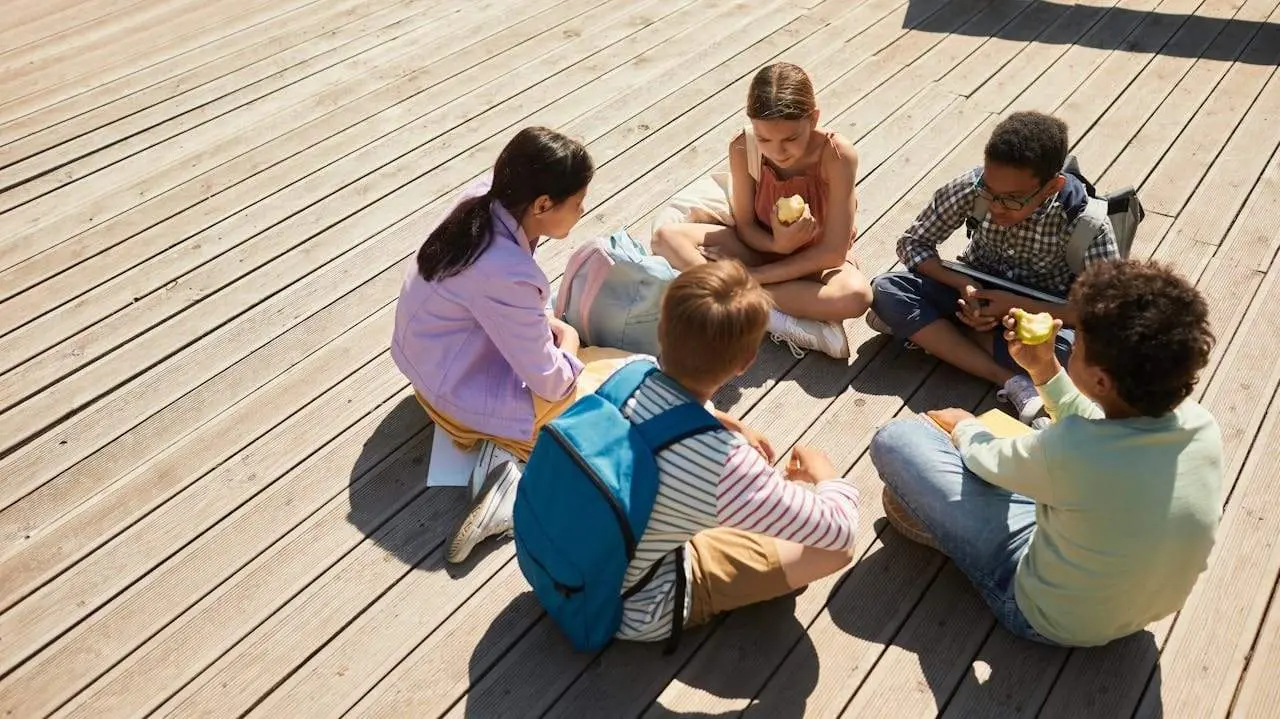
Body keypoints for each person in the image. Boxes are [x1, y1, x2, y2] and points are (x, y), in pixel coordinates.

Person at [460, 261, 861, 640]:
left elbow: (664, 414)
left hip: (548, 563)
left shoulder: (629, 371)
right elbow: (837, 530)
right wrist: (826, 476)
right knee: (833, 552)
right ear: (745, 362)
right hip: (628, 608)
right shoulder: (724, 464)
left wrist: (725, 422)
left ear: (662, 328)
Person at [869, 260, 1221, 647]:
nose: (1070, 339)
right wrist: (1046, 370)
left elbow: (985, 458)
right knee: (1051, 464)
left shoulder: (1074, 450)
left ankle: (946, 529)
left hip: (1045, 615)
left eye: (1078, 339)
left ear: (1101, 380)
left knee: (898, 438)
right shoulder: (1200, 425)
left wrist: (964, 425)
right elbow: (1097, 433)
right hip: (1136, 607)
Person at [389, 127, 631, 564]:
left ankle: (498, 458)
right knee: (606, 411)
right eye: (577, 203)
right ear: (542, 205)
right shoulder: (508, 272)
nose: (583, 211)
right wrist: (570, 342)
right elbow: (553, 383)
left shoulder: (484, 197)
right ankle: (511, 488)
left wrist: (540, 324)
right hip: (453, 393)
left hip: (428, 367)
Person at [868, 111, 1121, 424]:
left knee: (1079, 358)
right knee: (887, 288)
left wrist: (1015, 306)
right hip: (970, 292)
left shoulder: (1087, 223)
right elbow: (912, 243)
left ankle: (933, 334)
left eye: (1013, 199)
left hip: (1041, 318)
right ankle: (1010, 379)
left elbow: (1104, 311)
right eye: (990, 191)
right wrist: (962, 285)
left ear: (1051, 187)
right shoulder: (974, 188)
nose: (996, 206)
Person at [650, 62, 871, 360]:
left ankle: (739, 297)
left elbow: (832, 252)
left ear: (814, 118)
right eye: (765, 138)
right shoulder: (744, 148)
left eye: (791, 139)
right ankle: (772, 315)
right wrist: (777, 244)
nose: (777, 151)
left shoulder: (836, 155)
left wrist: (752, 277)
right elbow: (745, 226)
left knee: (856, 296)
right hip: (760, 248)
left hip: (815, 263)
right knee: (666, 238)